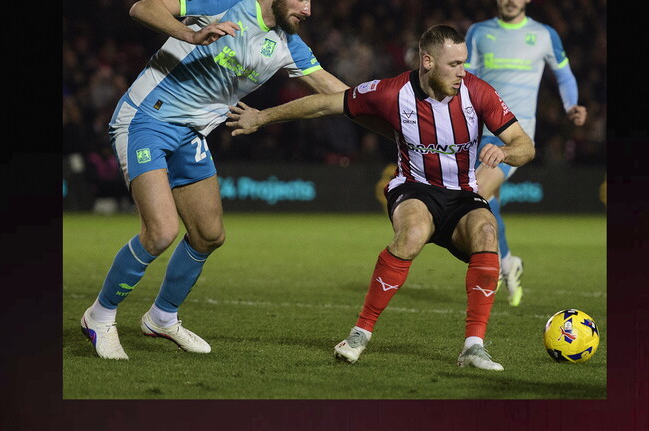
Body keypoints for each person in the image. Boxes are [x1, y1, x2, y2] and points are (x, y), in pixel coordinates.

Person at [79, 0, 374, 360]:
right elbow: (142, 7)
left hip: (191, 135)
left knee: (208, 234)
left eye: (312, 1)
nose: (309, 9)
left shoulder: (289, 44)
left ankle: (162, 318)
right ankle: (99, 315)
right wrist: (189, 34)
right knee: (161, 231)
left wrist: (393, 115)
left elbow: (334, 91)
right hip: (147, 118)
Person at [227, 25, 535, 370]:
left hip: (463, 194)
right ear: (428, 61)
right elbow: (323, 105)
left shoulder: (478, 92)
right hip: (414, 187)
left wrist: (506, 152)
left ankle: (473, 347)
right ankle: (360, 333)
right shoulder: (391, 92)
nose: (462, 72)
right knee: (413, 233)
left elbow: (526, 145)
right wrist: (261, 117)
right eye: (454, 65)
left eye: (464, 63)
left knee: (487, 233)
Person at [464, 0, 587, 307]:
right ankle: (507, 262)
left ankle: (485, 278)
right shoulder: (478, 32)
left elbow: (563, 75)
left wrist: (571, 105)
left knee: (474, 194)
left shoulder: (544, 34)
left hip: (514, 138)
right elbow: (466, 83)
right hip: (477, 134)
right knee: (488, 202)